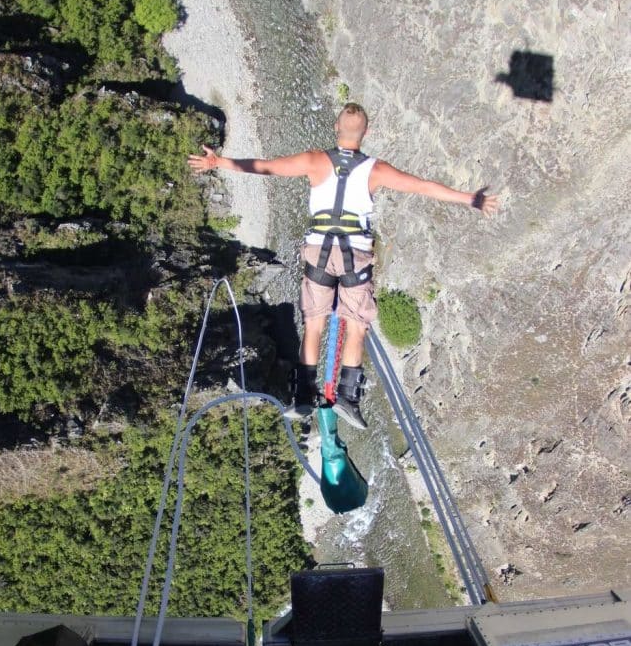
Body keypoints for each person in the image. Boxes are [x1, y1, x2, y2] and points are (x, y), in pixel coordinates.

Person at [188, 102, 499, 429]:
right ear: (365, 133)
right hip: (355, 254)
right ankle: (347, 399)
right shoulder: (375, 170)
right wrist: (470, 199)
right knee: (356, 324)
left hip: (319, 250)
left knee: (315, 323)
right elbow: (423, 186)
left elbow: (265, 167)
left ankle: (304, 396)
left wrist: (218, 162)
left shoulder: (314, 161)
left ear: (337, 130)